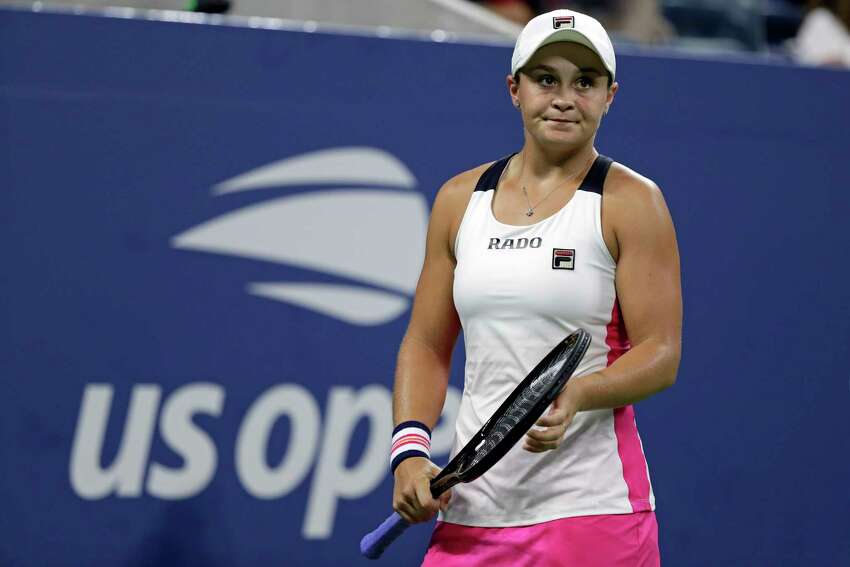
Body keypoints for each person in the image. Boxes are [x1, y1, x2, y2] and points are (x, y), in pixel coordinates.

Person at [389, 8, 682, 566]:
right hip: (472, 514)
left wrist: (578, 393)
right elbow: (427, 344)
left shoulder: (634, 203)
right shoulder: (459, 200)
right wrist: (409, 450)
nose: (565, 97)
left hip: (591, 514)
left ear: (609, 96)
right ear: (514, 89)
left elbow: (661, 354)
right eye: (546, 79)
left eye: (586, 82)